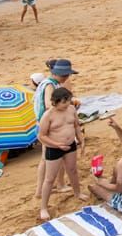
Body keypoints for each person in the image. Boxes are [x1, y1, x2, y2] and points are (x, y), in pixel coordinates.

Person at [36, 87, 85, 221]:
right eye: (64, 102)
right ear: (55, 102)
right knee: (50, 178)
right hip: (54, 147)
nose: (67, 104)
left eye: (68, 101)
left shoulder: (71, 109)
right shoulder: (48, 115)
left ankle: (77, 193)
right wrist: (57, 145)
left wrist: (81, 139)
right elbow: (41, 136)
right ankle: (44, 208)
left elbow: (76, 126)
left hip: (70, 145)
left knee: (73, 170)